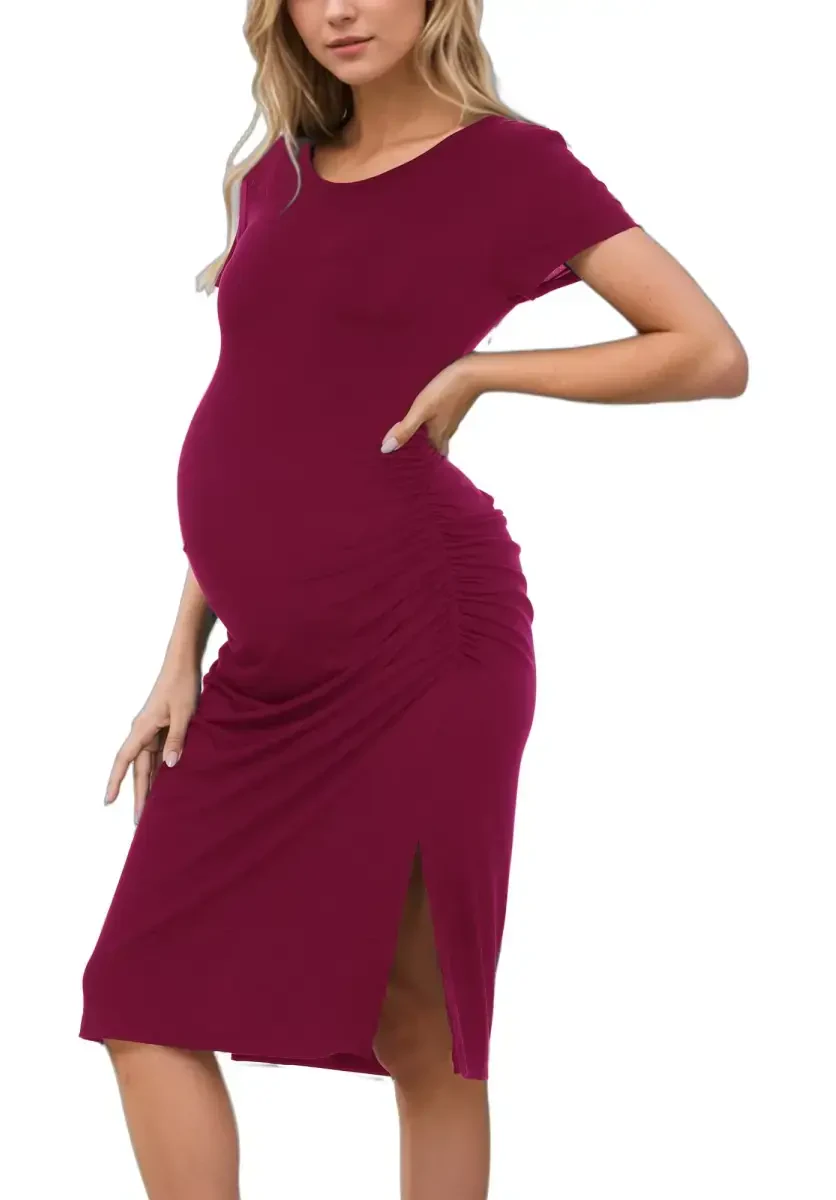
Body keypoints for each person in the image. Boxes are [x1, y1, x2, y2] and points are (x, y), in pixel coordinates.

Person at [78, 0, 749, 1196]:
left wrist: (487, 369)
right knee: (139, 992)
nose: (339, 9)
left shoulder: (513, 164)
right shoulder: (280, 173)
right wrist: (181, 650)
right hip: (263, 659)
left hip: (423, 634)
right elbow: (266, 417)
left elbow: (708, 350)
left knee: (420, 1023)